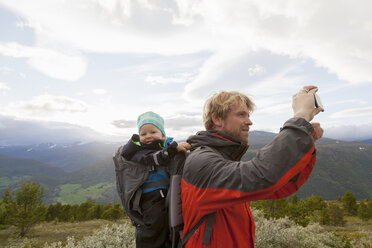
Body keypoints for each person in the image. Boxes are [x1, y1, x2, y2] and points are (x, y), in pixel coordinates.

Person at [181, 86, 324, 247]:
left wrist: (306, 141)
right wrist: (300, 118)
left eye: (248, 115)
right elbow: (261, 176)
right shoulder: (202, 162)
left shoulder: (222, 159)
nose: (249, 121)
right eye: (241, 114)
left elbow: (283, 186)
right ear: (217, 119)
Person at [120, 111, 190, 248]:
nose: (148, 136)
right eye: (143, 134)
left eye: (153, 132)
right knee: (154, 223)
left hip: (166, 193)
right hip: (150, 196)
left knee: (169, 222)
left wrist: (172, 145)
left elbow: (167, 147)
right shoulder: (139, 152)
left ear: (162, 134)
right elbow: (155, 158)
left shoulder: (163, 146)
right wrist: (172, 150)